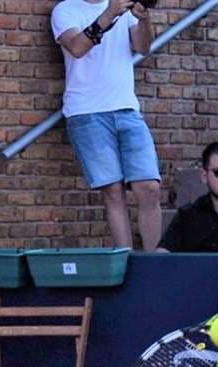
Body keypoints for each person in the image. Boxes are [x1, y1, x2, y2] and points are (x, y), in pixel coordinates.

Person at [51, 0, 162, 251]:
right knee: (112, 191)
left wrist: (144, 18)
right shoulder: (66, 10)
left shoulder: (124, 9)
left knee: (149, 187)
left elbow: (143, 48)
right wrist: (110, 13)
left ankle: (156, 262)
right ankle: (127, 259)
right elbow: (77, 47)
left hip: (127, 108)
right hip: (86, 112)